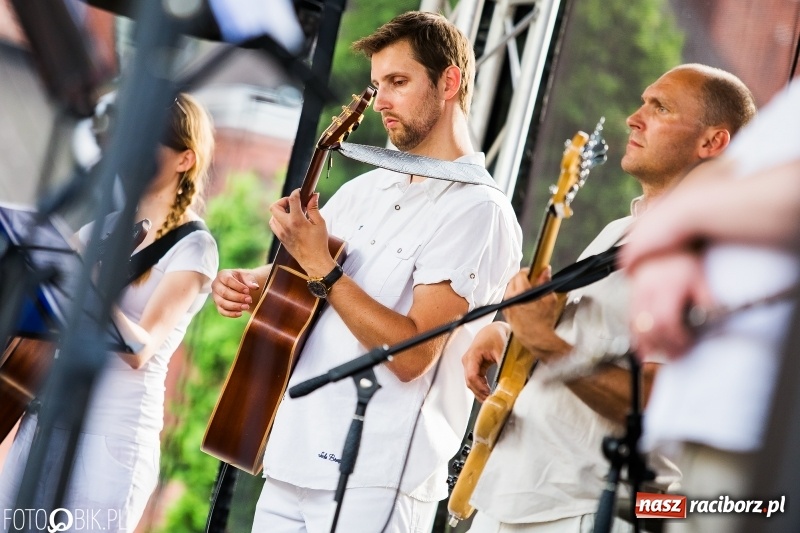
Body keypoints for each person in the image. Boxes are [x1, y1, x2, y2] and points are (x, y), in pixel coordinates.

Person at [210, 11, 522, 533]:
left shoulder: (479, 209)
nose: (380, 102)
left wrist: (318, 268)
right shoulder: (366, 187)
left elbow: (413, 353)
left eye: (397, 83)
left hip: (377, 476)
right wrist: (254, 281)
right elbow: (310, 275)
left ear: (450, 81)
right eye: (377, 85)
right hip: (291, 454)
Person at [460, 64, 756, 533]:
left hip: (586, 512)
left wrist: (547, 345)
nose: (633, 118)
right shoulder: (620, 232)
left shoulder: (715, 258)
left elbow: (662, 399)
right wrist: (506, 330)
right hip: (510, 498)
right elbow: (580, 333)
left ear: (712, 143)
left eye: (659, 107)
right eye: (643, 102)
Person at [0, 92, 219, 532]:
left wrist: (90, 287)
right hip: (46, 418)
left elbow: (140, 347)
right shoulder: (99, 228)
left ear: (184, 159)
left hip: (111, 439)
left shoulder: (195, 246)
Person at [620, 80, 800, 533]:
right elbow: (735, 169)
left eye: (659, 107)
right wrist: (674, 241)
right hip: (710, 424)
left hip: (769, 433)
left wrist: (678, 222)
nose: (633, 118)